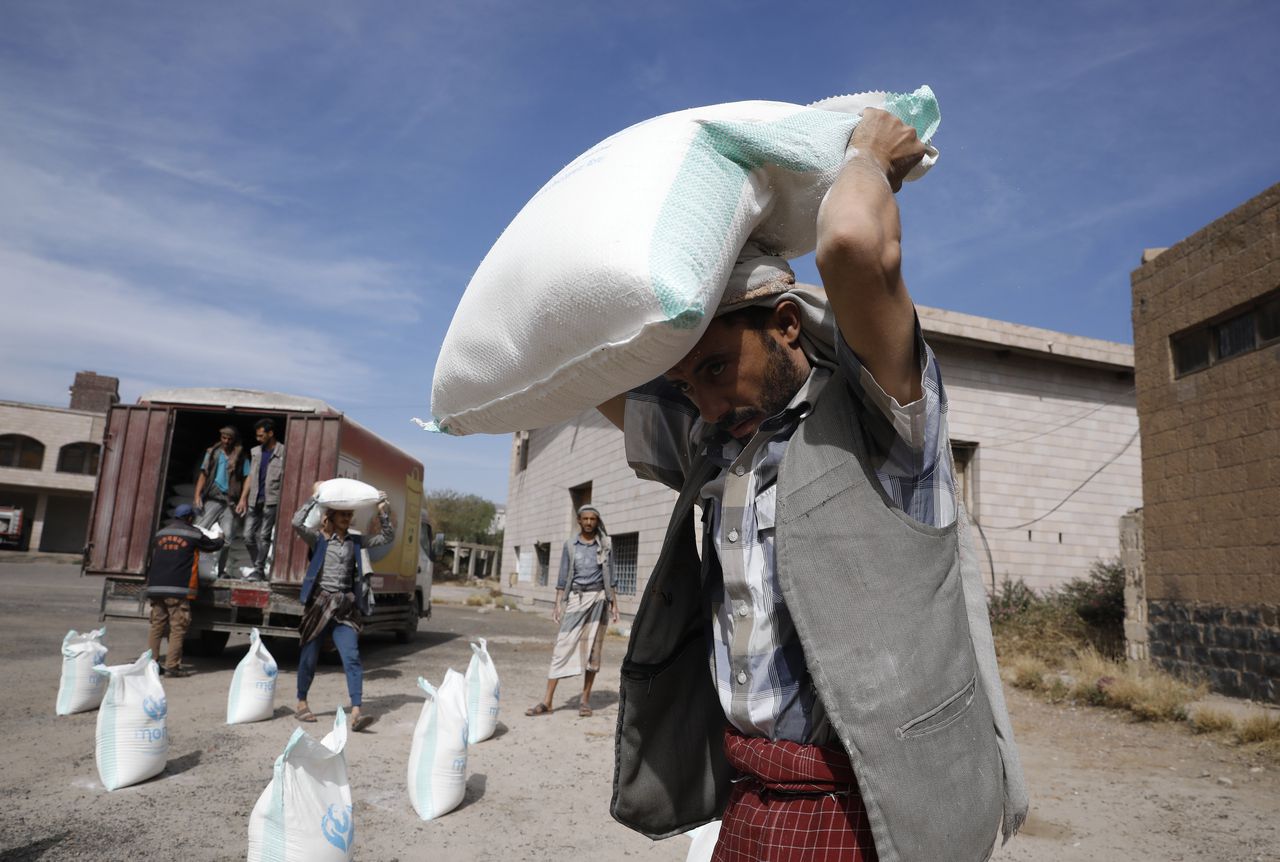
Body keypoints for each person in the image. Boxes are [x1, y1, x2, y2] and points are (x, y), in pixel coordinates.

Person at [597, 110, 1027, 861]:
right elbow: (574, 372)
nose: (700, 400)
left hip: (860, 809)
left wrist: (867, 156)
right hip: (749, 794)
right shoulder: (717, 446)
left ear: (788, 325)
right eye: (684, 381)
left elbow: (853, 244)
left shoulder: (882, 426)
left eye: (715, 368)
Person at [291, 485, 394, 733]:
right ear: (332, 517)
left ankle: (357, 711)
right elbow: (296, 523)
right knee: (309, 656)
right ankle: (301, 702)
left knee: (352, 656)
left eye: (349, 515)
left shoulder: (356, 542)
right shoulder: (318, 539)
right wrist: (313, 500)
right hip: (319, 604)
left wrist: (383, 511)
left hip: (345, 607)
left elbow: (386, 537)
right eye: (342, 515)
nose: (347, 519)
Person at [525, 505, 618, 718]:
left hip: (598, 600)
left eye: (592, 519)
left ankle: (585, 701)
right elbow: (563, 576)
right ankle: (547, 701)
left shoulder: (605, 544)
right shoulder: (570, 545)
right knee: (562, 648)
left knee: (593, 652)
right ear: (579, 520)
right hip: (576, 599)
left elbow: (611, 576)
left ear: (597, 521)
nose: (588, 522)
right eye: (585, 518)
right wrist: (558, 604)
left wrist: (615, 604)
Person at [145, 503, 224, 678]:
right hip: (177, 589)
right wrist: (221, 537)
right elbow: (212, 546)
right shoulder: (192, 533)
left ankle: (150, 664)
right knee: (178, 627)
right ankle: (172, 667)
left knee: (156, 626)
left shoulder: (161, 533)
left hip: (156, 587)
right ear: (189, 518)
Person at [192, 426, 249, 579]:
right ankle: (191, 567)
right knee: (197, 531)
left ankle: (221, 571)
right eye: (224, 438)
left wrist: (243, 499)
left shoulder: (240, 456)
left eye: (229, 439)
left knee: (228, 539)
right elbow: (203, 473)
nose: (226, 441)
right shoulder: (212, 454)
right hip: (212, 498)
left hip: (229, 502)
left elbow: (247, 477)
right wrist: (197, 495)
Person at [239, 418, 285, 581]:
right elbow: (251, 476)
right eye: (257, 436)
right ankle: (259, 566)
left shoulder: (283, 453)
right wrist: (243, 498)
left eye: (261, 435)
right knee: (248, 536)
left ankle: (258, 569)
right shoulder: (256, 452)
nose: (258, 439)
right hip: (254, 499)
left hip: (271, 500)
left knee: (264, 536)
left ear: (270, 433)